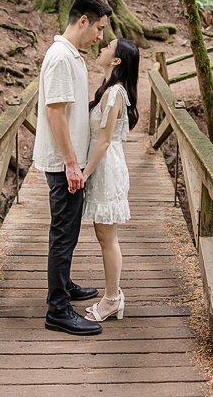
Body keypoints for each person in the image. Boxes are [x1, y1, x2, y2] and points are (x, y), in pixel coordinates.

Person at [33, 0, 113, 336]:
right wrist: (70, 164)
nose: (100, 36)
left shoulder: (73, 56)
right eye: (98, 27)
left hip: (73, 160)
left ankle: (63, 285)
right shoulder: (61, 59)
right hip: (64, 162)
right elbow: (55, 112)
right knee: (64, 235)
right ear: (83, 21)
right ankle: (58, 309)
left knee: (69, 231)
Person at [80, 38, 140, 322]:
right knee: (104, 236)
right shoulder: (108, 90)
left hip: (105, 169)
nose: (101, 48)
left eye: (107, 48)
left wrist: (84, 175)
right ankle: (112, 296)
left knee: (107, 238)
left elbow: (103, 142)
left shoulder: (115, 94)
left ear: (116, 61)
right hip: (101, 166)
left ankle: (112, 299)